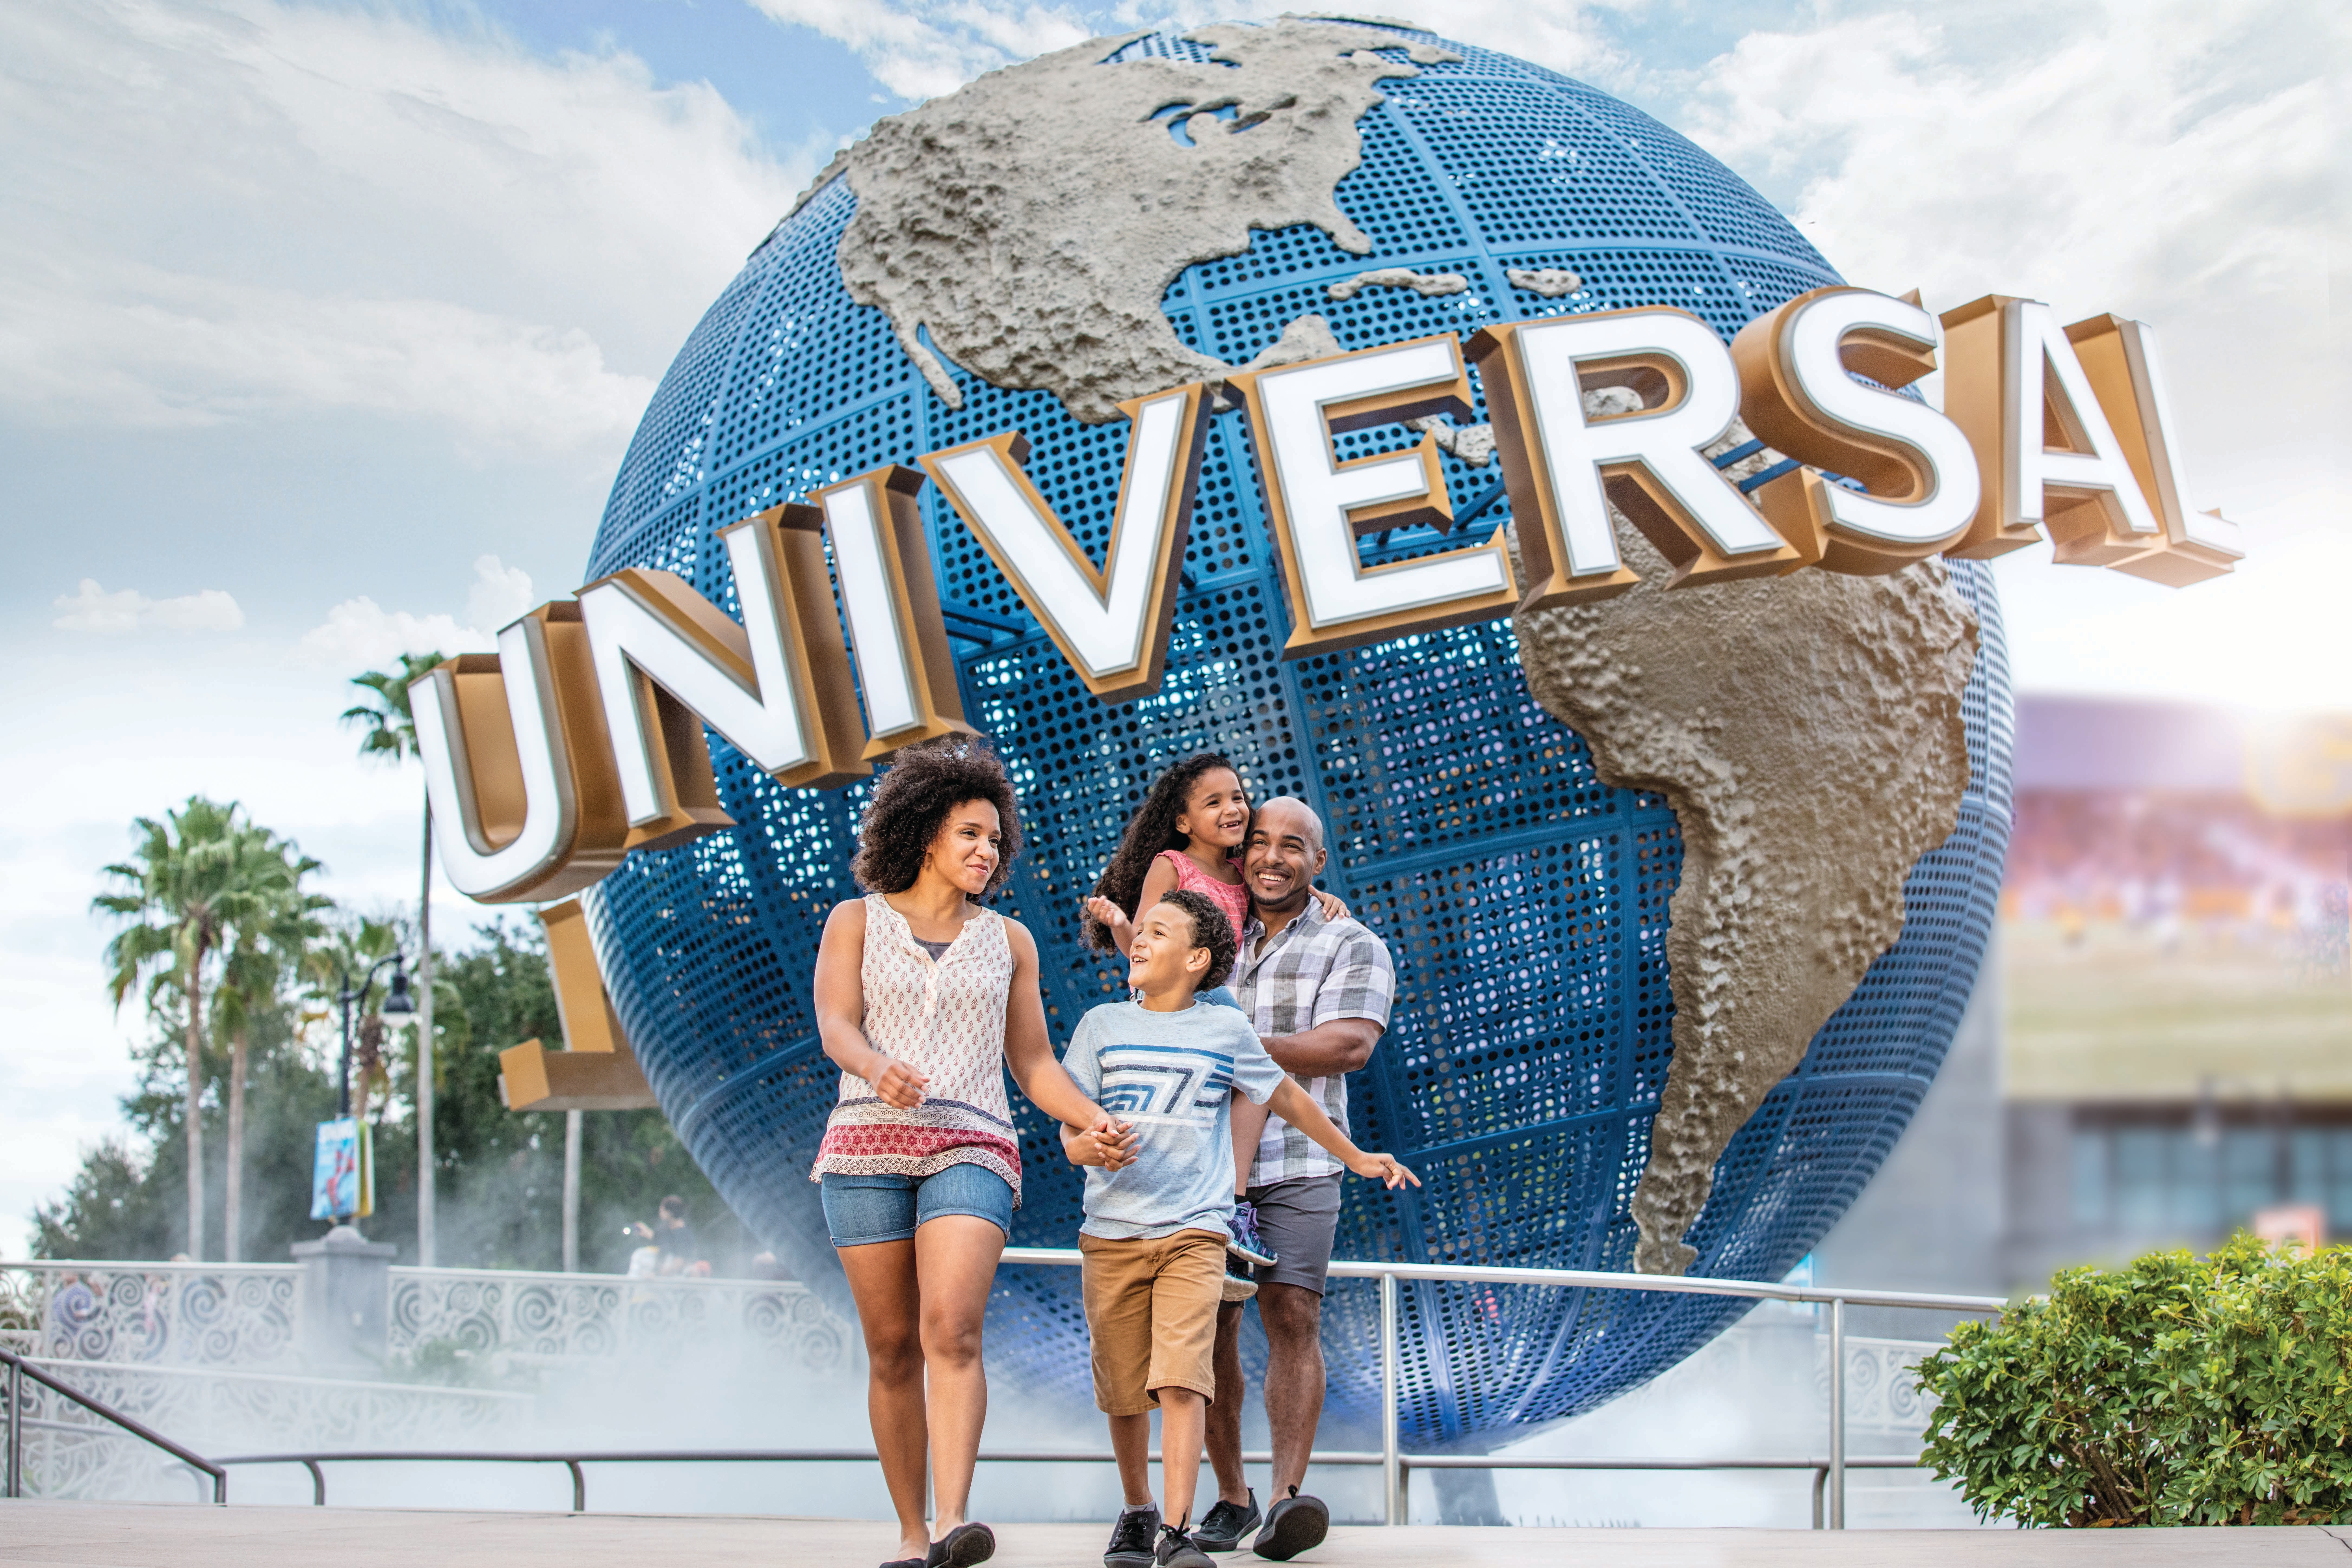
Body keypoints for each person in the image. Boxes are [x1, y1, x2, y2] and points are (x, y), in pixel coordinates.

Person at [812, 734, 1128, 1568]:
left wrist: (1090, 1118)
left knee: (951, 1325)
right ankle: (911, 1537)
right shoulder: (855, 920)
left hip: (973, 1142)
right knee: (889, 1347)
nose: (988, 851)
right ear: (924, 836)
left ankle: (954, 1523)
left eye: (995, 838)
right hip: (863, 1145)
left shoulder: (1010, 941)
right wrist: (877, 1067)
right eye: (970, 835)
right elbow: (836, 1025)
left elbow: (1032, 1064)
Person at [1060, 889, 1416, 1568]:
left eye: (1157, 933)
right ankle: (1135, 1511)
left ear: (1196, 960)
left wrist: (1357, 1155)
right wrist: (1089, 1147)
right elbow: (1069, 1131)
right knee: (1125, 1387)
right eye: (1142, 932)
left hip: (1195, 1231)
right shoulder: (1099, 1026)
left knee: (1183, 1379)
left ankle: (1174, 1529)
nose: (1139, 941)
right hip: (1111, 1232)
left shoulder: (1226, 1033)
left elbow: (1286, 1096)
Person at [1196, 798, 1399, 1560]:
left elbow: (1347, 1046)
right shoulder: (1208, 930)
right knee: (1209, 1332)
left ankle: (1284, 1502)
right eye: (1259, 843)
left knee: (1291, 1318)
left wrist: (1233, 1045)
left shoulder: (1354, 943)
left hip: (1302, 1159)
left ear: (1320, 861)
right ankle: (1230, 1498)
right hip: (1204, 1164)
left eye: (1293, 846)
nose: (1272, 857)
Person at [1081, 755, 1346, 1278]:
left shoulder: (1237, 871)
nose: (1233, 809)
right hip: (1177, 1000)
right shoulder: (1172, 865)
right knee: (1232, 1079)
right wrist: (1116, 924)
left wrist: (1318, 894)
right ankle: (1187, 1218)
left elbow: (1279, 884)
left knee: (1253, 1080)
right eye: (1215, 802)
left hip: (1216, 1005)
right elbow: (1142, 940)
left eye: (1238, 798)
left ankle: (1230, 1208)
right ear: (1183, 822)